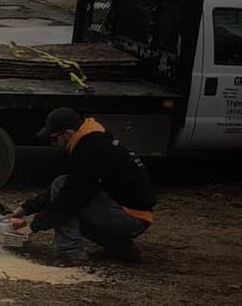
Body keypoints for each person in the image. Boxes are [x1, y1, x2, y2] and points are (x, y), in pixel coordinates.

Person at [10, 107, 156, 267]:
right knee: (66, 189)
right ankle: (120, 246)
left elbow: (68, 199)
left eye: (53, 139)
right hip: (134, 216)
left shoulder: (90, 151)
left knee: (68, 203)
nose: (52, 144)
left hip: (130, 219)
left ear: (67, 133)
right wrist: (25, 208)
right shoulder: (93, 142)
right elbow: (72, 186)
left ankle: (70, 254)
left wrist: (32, 227)